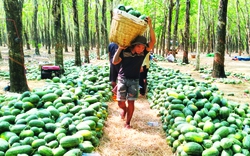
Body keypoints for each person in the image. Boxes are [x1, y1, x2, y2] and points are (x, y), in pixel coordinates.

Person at [112, 16, 156, 129]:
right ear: (134, 45)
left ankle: (128, 123)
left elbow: (153, 41)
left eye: (143, 47)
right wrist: (120, 48)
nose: (141, 49)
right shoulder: (125, 51)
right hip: (122, 79)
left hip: (134, 81)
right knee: (120, 103)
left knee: (131, 102)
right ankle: (124, 110)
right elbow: (115, 61)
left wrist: (150, 25)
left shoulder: (143, 53)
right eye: (139, 46)